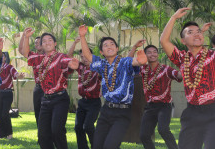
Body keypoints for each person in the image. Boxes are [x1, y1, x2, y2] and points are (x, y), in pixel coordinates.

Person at [78, 25, 147, 149]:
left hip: (122, 113)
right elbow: (88, 56)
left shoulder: (124, 62)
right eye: (105, 45)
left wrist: (141, 60)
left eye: (111, 44)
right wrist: (82, 36)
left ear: (117, 48)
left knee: (110, 146)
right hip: (106, 111)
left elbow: (136, 62)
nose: (109, 46)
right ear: (101, 52)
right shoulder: (102, 64)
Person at [160, 8, 215, 149]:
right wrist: (173, 17)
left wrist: (196, 34)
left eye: (198, 32)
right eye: (190, 32)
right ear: (183, 40)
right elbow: (163, 40)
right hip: (191, 113)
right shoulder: (182, 58)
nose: (196, 34)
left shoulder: (212, 56)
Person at [20, 28, 79, 149]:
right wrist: (26, 37)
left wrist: (73, 64)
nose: (47, 42)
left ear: (55, 43)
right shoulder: (39, 59)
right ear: (41, 45)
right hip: (45, 100)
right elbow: (26, 53)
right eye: (44, 41)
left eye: (50, 40)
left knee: (57, 131)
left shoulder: (60, 57)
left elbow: (68, 61)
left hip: (60, 99)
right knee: (42, 136)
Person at [128, 41, 182, 149]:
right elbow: (128, 63)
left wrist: (184, 67)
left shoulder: (166, 69)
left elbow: (179, 76)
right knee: (144, 136)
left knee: (163, 130)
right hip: (149, 107)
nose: (152, 54)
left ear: (157, 54)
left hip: (164, 106)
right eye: (149, 52)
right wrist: (134, 47)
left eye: (155, 52)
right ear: (145, 55)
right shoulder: (142, 69)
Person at [68, 37, 102, 149]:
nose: (84, 58)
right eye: (82, 57)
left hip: (94, 102)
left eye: (86, 56)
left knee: (88, 126)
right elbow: (68, 57)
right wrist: (74, 43)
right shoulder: (80, 67)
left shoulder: (97, 67)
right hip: (83, 102)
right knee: (78, 127)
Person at [0, 52, 24, 139]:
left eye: (3, 56)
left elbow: (15, 74)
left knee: (5, 114)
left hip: (7, 93)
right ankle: (2, 134)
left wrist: (19, 75)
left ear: (5, 58)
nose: (1, 58)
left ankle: (9, 133)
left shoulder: (9, 67)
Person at [19, 35, 44, 127]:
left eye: (39, 42)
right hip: (38, 88)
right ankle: (41, 136)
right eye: (35, 43)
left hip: (49, 89)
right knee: (38, 113)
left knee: (47, 114)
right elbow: (21, 50)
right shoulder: (33, 56)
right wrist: (25, 36)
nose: (37, 44)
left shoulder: (51, 55)